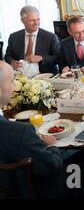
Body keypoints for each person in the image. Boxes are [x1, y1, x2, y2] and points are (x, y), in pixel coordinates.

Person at [0, 60, 63, 198]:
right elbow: (52, 166)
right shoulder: (20, 132)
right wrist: (52, 146)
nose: (15, 86)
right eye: (12, 81)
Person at [4, 6, 60, 74]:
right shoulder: (14, 37)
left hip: (44, 75)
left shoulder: (51, 37)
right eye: (32, 20)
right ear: (23, 21)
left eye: (38, 19)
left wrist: (41, 58)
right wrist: (12, 62)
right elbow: (7, 56)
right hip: (21, 75)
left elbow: (58, 58)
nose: (36, 23)